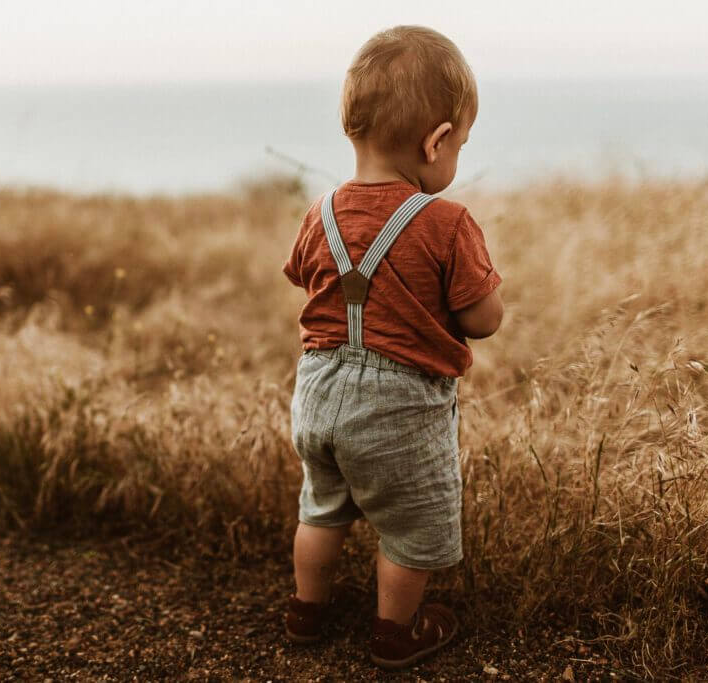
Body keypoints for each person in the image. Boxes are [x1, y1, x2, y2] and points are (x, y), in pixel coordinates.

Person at [281, 25, 504, 670]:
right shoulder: (446, 222)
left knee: (321, 508)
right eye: (459, 144)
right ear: (436, 141)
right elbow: (482, 320)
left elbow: (304, 276)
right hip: (398, 407)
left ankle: (307, 611)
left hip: (317, 394)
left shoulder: (319, 209)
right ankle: (394, 632)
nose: (455, 155)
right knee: (409, 527)